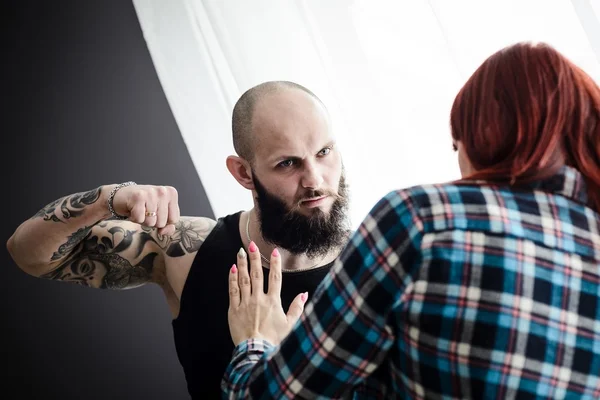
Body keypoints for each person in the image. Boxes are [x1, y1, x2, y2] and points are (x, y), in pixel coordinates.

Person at [222, 42, 600, 399]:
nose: (315, 180)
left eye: (457, 144)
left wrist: (256, 343)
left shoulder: (421, 220)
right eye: (288, 162)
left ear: (482, 138)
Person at [6, 81, 351, 399]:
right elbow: (29, 255)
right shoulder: (187, 249)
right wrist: (106, 200)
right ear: (243, 173)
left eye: (324, 152)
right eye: (288, 163)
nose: (315, 181)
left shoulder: (373, 269)